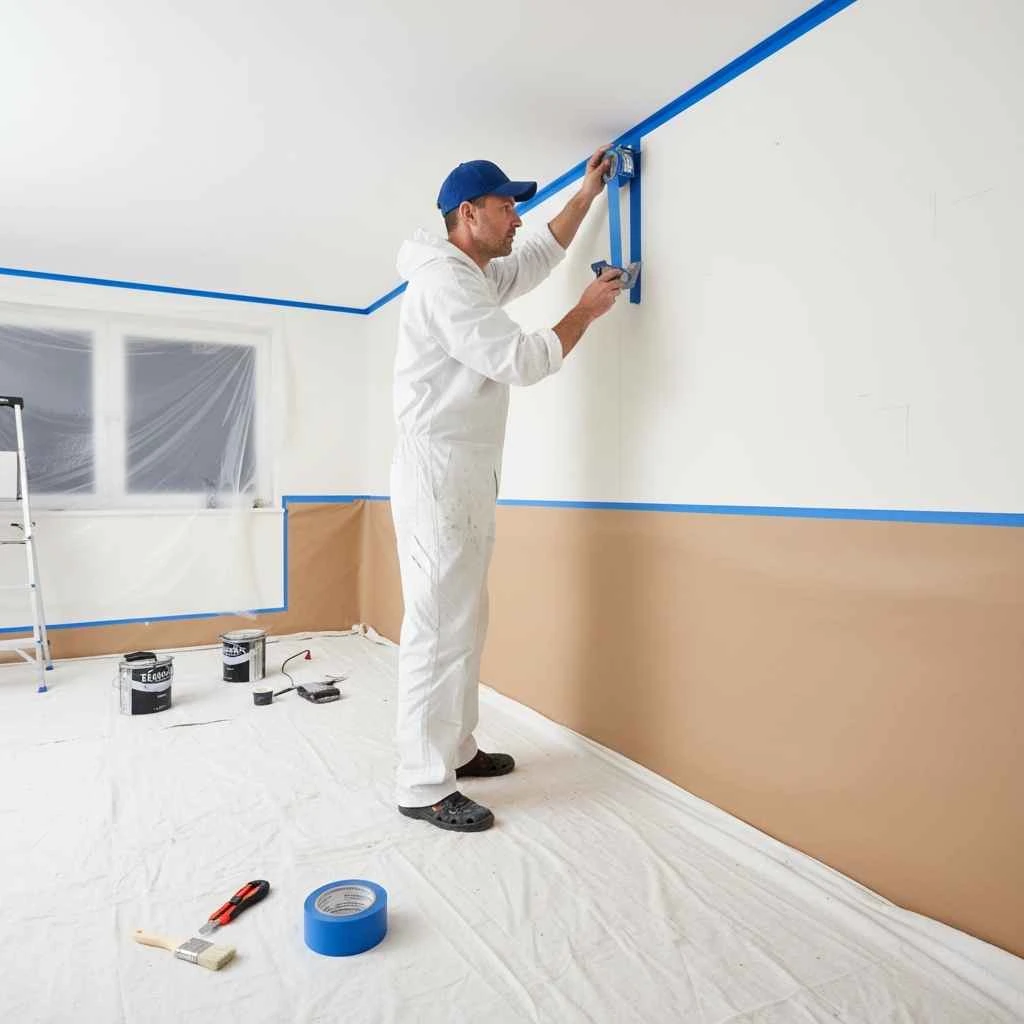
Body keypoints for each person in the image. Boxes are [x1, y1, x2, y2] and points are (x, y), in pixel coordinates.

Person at [391, 146, 623, 832]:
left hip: (463, 467)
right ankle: (421, 782)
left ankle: (456, 750)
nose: (516, 216)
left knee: (463, 617)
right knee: (436, 627)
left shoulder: (473, 273)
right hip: (439, 470)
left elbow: (535, 258)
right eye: (505, 205)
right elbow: (520, 360)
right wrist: (586, 311)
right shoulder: (446, 284)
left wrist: (586, 195)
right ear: (469, 214)